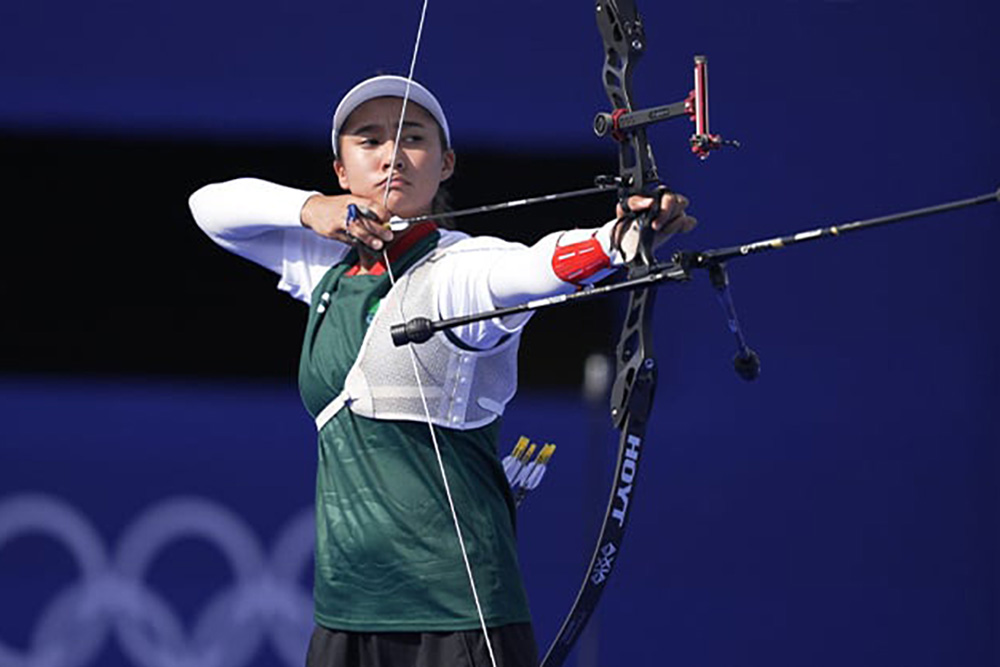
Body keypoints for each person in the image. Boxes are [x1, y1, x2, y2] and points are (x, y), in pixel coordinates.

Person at [189, 74, 696, 667]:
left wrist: (619, 239)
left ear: (446, 163)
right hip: (345, 617)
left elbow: (539, 267)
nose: (392, 156)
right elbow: (209, 208)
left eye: (414, 139)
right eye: (369, 140)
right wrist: (309, 209)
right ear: (341, 171)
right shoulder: (323, 268)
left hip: (459, 620)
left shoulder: (460, 270)